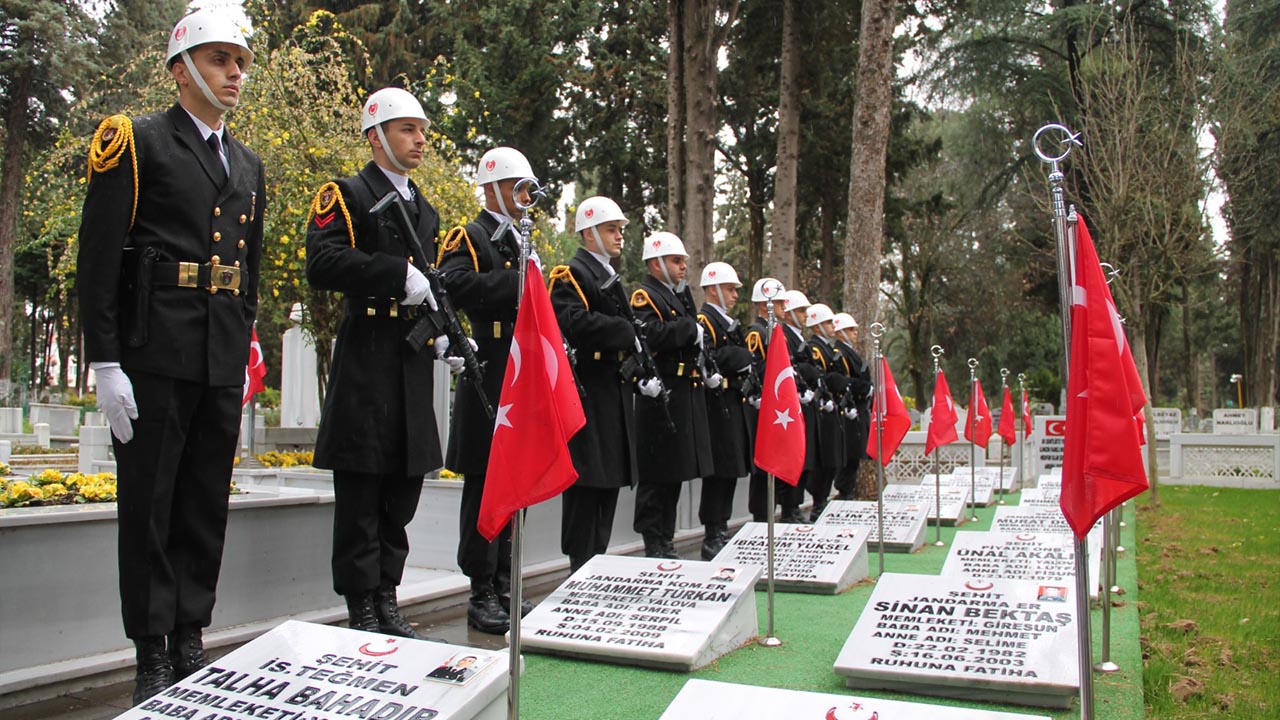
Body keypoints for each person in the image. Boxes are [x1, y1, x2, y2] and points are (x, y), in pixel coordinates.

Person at [77, 7, 264, 704]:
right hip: (152, 353)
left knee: (202, 505)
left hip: (217, 355)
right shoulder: (137, 142)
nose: (235, 74)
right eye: (220, 60)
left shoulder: (248, 163)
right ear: (181, 69)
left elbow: (247, 267)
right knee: (150, 507)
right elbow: (97, 262)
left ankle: (192, 634)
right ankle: (152, 649)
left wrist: (246, 339)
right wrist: (104, 361)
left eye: (241, 62)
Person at [306, 87, 461, 640]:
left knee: (401, 487)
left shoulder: (427, 208)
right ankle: (360, 604)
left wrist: (443, 335)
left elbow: (433, 286)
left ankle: (388, 593)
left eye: (423, 130)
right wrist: (395, 274)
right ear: (376, 136)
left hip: (411, 359)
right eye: (406, 130)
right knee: (362, 489)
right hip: (368, 357)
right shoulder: (346, 194)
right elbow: (322, 262)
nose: (420, 140)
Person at [437, 146, 539, 634]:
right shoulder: (472, 235)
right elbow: (451, 283)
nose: (524, 197)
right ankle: (479, 588)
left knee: (515, 479)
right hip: (489, 367)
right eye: (518, 187)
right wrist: (511, 284)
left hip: (520, 372)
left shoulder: (524, 241)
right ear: (493, 186)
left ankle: (504, 582)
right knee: (484, 482)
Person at [547, 196, 641, 573]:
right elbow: (570, 320)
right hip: (588, 390)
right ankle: (579, 565)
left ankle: (596, 563)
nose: (619, 237)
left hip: (612, 391)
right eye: (610, 229)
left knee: (607, 485)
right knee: (587, 485)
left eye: (620, 230)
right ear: (588, 233)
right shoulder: (572, 273)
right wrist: (624, 330)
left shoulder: (607, 275)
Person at [630, 232, 713, 557]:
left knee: (674, 472)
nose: (683, 268)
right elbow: (648, 333)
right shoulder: (644, 295)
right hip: (659, 394)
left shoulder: (677, 297)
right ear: (656, 263)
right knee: (657, 472)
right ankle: (654, 540)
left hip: (680, 394)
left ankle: (666, 537)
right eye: (677, 261)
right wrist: (690, 330)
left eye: (683, 262)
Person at [696, 262, 754, 559]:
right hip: (716, 404)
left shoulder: (728, 323)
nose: (734, 295)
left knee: (730, 469)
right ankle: (712, 533)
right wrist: (739, 356)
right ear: (713, 289)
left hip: (733, 402)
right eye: (730, 289)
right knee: (718, 471)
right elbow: (709, 356)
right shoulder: (705, 321)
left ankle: (722, 527)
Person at [744, 278, 803, 523]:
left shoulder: (777, 331)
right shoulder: (757, 332)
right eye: (779, 302)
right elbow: (755, 367)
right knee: (764, 464)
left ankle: (783, 510)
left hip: (779, 407)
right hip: (764, 408)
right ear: (763, 303)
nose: (783, 306)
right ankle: (761, 516)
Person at [778, 290, 821, 522]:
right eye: (801, 311)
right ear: (789, 312)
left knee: (806, 458)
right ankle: (789, 509)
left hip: (806, 405)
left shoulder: (799, 338)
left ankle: (795, 506)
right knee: (794, 458)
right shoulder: (785, 336)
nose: (806, 315)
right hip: (792, 408)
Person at [803, 303, 847, 520]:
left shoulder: (829, 348)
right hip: (821, 408)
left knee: (832, 459)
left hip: (833, 408)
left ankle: (823, 501)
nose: (832, 326)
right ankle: (818, 503)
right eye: (828, 322)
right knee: (824, 460)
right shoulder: (815, 348)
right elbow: (821, 376)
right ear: (818, 326)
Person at [831, 312, 872, 500]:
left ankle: (847, 491)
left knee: (854, 457)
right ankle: (844, 492)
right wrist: (866, 389)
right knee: (849, 455)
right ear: (839, 333)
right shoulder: (839, 354)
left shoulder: (849, 352)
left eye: (855, 329)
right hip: (849, 409)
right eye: (849, 330)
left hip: (859, 408)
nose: (855, 333)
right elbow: (845, 382)